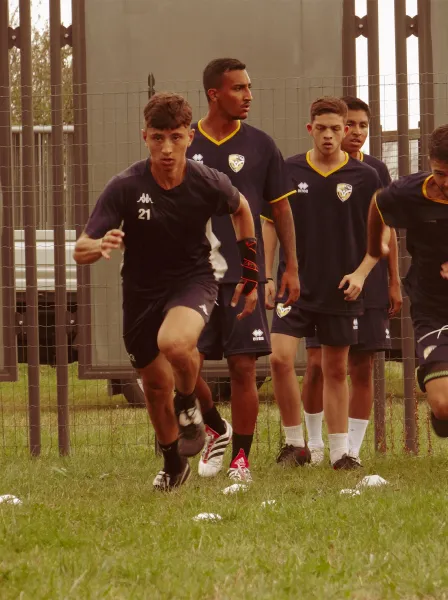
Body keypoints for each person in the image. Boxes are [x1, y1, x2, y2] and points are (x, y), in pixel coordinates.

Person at [73, 92, 258, 491]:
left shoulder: (208, 181)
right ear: (145, 137)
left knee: (175, 344)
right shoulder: (125, 185)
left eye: (175, 137)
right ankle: (174, 465)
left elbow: (243, 210)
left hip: (194, 278)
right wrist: (99, 245)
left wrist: (251, 271)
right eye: (158, 138)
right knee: (155, 386)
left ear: (190, 137)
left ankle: (189, 402)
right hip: (140, 290)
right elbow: (81, 248)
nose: (167, 148)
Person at [187, 58, 299, 481]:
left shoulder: (261, 145)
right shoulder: (185, 142)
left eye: (249, 87)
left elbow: (281, 208)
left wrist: (290, 268)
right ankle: (215, 427)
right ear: (214, 94)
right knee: (183, 363)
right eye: (238, 89)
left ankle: (240, 459)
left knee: (243, 367)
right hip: (192, 276)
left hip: (244, 275)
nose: (248, 95)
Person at [263, 96, 383, 470]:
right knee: (280, 359)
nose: (329, 136)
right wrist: (266, 273)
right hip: (293, 286)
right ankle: (295, 444)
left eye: (337, 128)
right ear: (309, 129)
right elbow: (270, 223)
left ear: (346, 130)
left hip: (340, 290)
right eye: (322, 128)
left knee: (335, 369)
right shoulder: (288, 169)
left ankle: (340, 453)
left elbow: (382, 236)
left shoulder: (366, 177)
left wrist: (361, 273)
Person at [296, 97, 402, 465]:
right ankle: (313, 445)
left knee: (362, 365)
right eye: (350, 125)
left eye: (362, 126)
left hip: (368, 281)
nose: (355, 132)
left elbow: (387, 230)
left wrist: (393, 281)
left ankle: (351, 452)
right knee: (318, 365)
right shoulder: (308, 171)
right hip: (323, 285)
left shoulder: (374, 172)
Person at [366, 124, 448, 437]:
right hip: (434, 307)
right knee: (442, 405)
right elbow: (377, 205)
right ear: (429, 162)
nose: (446, 182)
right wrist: (375, 247)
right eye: (440, 173)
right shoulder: (410, 192)